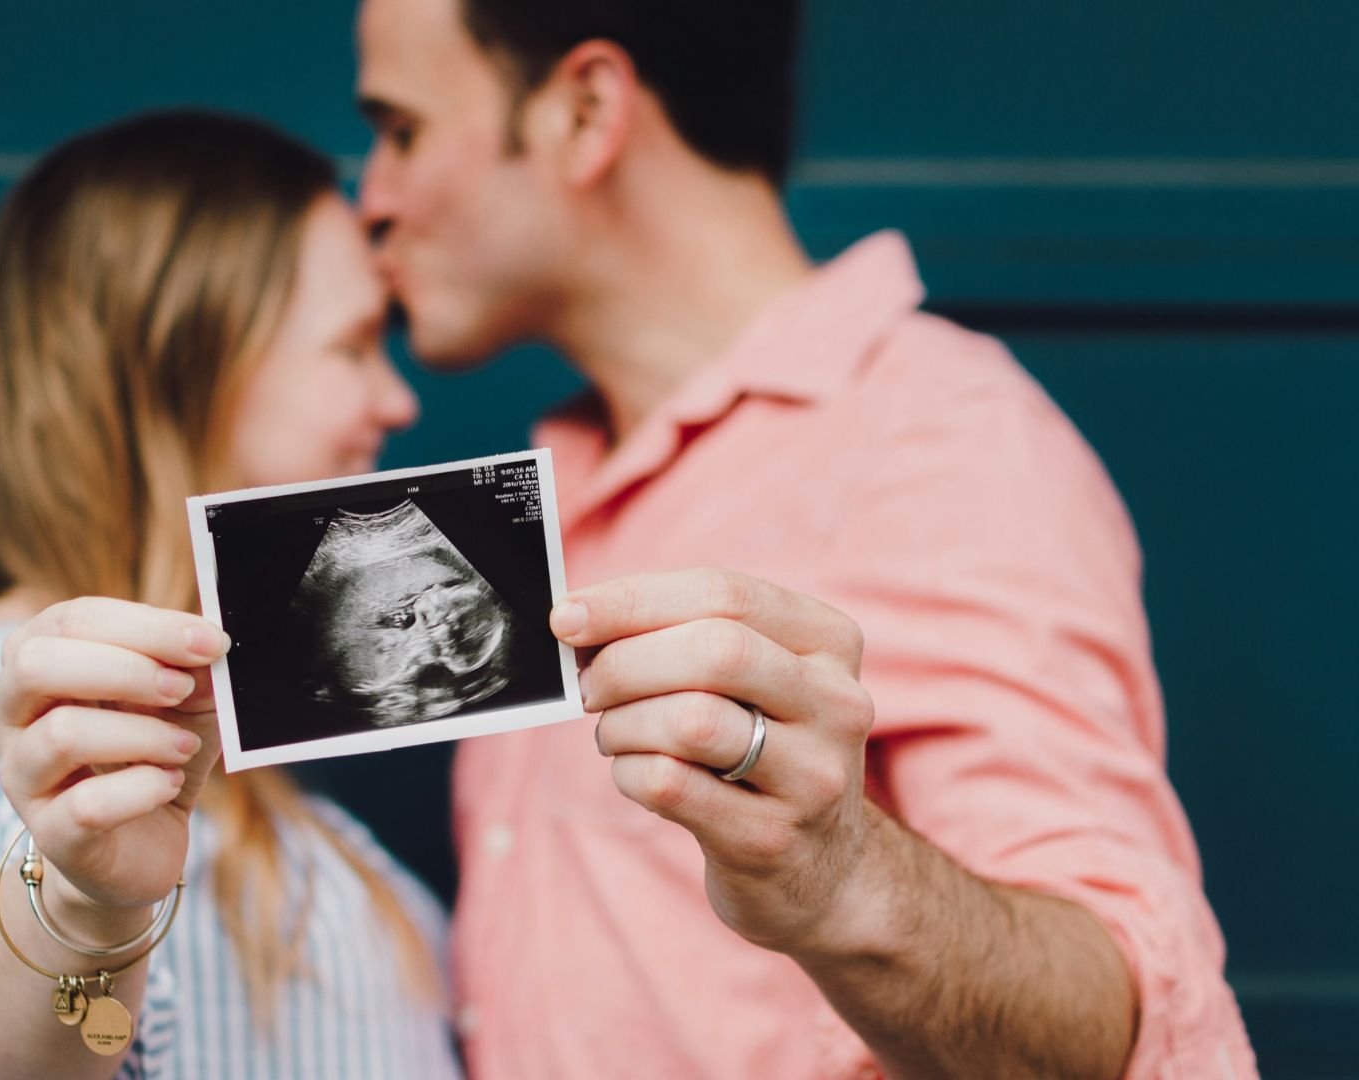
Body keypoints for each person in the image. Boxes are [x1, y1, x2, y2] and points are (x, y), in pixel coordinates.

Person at [352, 0, 1257, 1076]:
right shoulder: (556, 485)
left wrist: (842, 880)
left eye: (403, 130)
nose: (373, 198)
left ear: (586, 110)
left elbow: (1124, 1022)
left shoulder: (940, 443)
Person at [0, 110, 460, 1079]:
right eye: (354, 344)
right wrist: (86, 909)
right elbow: (0, 1043)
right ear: (180, 366)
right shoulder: (23, 704)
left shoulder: (213, 746)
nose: (397, 400)